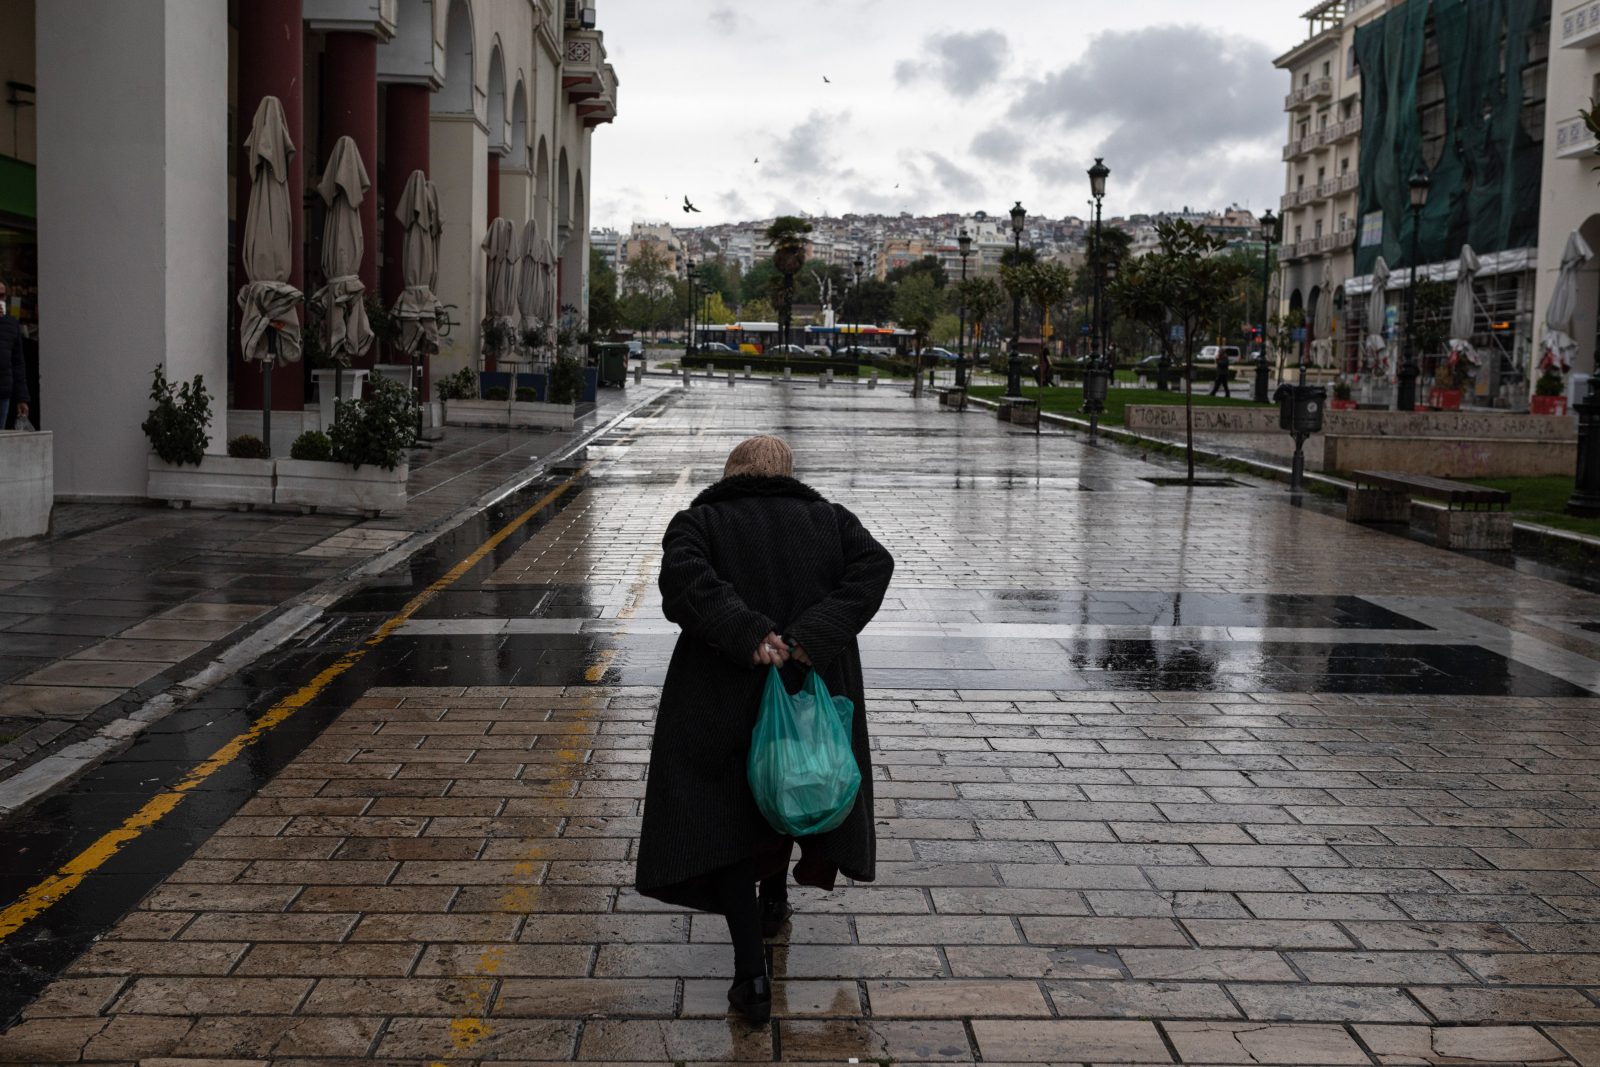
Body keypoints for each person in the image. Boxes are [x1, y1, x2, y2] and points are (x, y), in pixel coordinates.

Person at [635, 434, 894, 1025]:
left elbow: (683, 579)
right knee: (787, 788)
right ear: (788, 475)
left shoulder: (698, 522)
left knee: (727, 815)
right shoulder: (831, 521)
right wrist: (810, 638)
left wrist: (747, 631)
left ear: (731, 474)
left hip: (718, 694)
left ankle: (750, 977)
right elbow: (875, 567)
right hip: (809, 689)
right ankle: (774, 899)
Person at [0, 281, 27, 429]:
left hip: (3, 393)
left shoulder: (11, 324)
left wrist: (22, 398)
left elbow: (18, 362)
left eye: (2, 296)